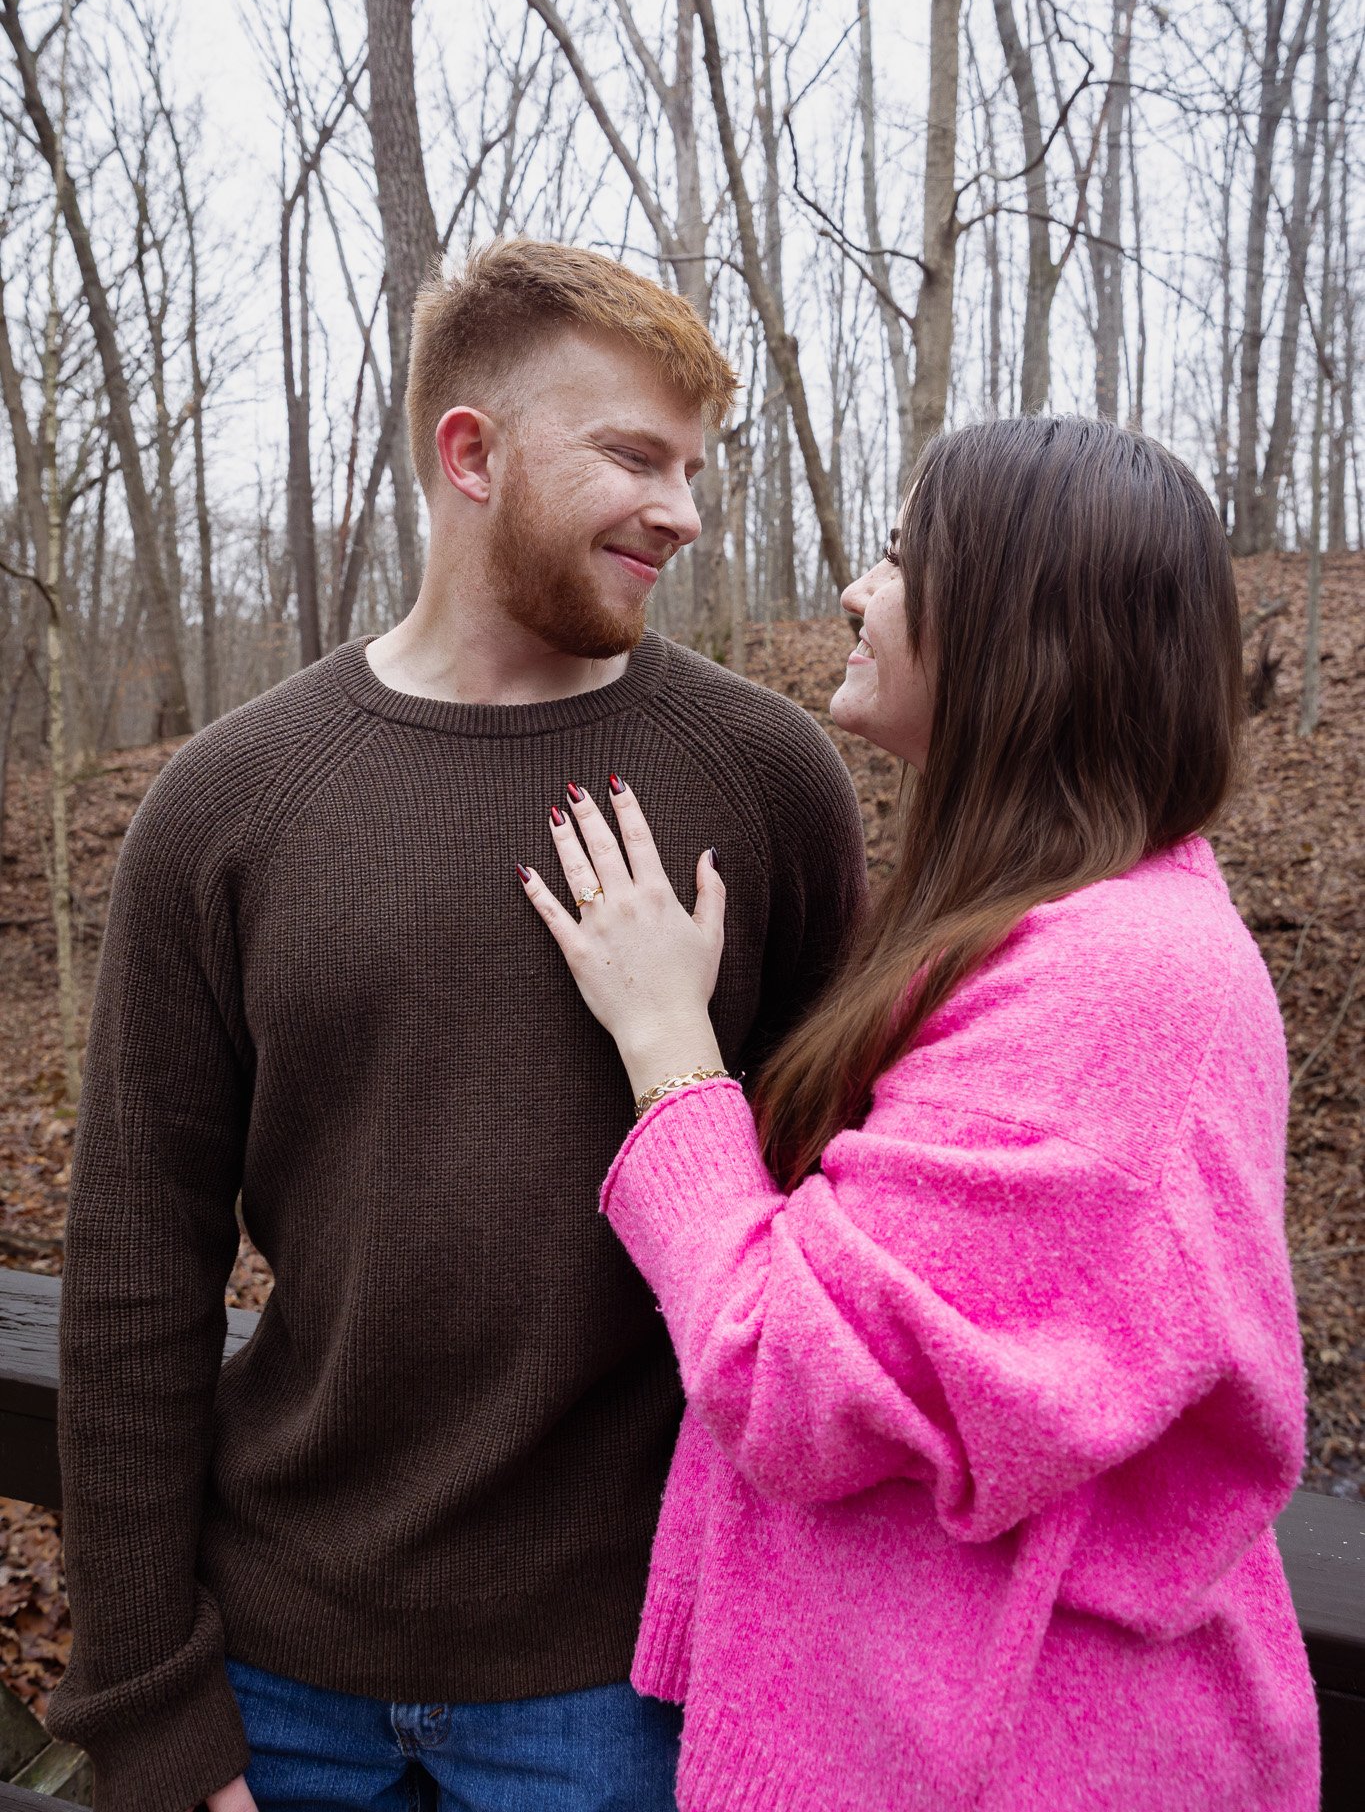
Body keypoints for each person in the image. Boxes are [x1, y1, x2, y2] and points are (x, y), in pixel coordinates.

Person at [48, 239, 867, 1812]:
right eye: (632, 455)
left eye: (695, 467)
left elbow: (841, 1237)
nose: (682, 512)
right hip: (278, 1674)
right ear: (469, 453)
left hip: (629, 1681)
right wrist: (150, 1711)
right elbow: (135, 1273)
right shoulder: (228, 805)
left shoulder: (765, 781)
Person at [522, 414, 1321, 1812]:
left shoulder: (1120, 984)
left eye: (897, 558)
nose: (855, 590)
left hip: (1018, 1759)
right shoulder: (1059, 930)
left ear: (1021, 624)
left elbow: (789, 1371)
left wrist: (665, 1047)